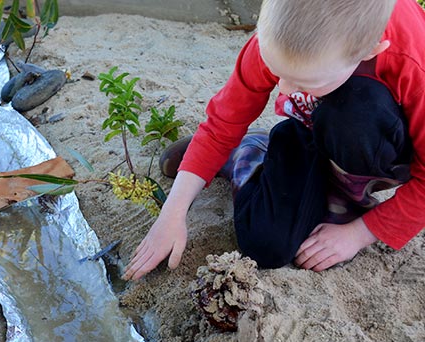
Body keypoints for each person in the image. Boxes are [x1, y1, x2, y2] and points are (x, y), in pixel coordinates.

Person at [123, 0, 425, 281]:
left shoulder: (413, 62)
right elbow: (222, 125)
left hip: (374, 138)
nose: (284, 89)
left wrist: (359, 233)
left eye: (305, 82)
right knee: (266, 245)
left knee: (357, 110)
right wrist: (172, 213)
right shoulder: (288, 26)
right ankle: (249, 154)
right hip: (307, 131)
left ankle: (347, 193)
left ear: (371, 50)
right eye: (276, 71)